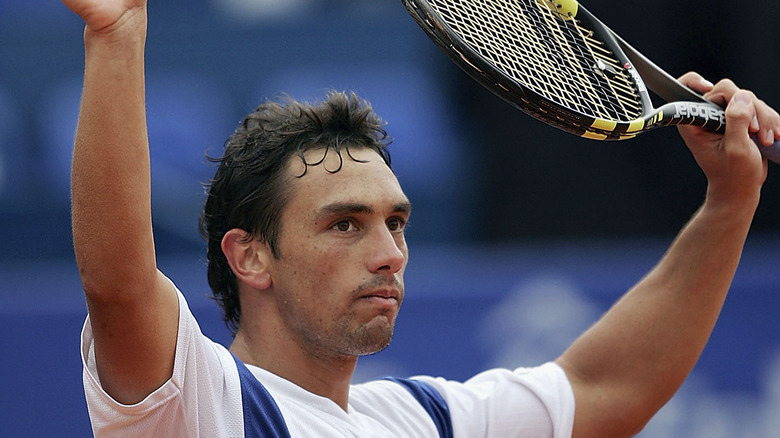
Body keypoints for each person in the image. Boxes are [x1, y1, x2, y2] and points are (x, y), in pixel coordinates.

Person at [64, 0, 779, 437]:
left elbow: (606, 390)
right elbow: (120, 285)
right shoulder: (204, 409)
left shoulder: (425, 421)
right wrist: (119, 32)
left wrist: (729, 203)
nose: (389, 254)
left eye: (396, 223)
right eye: (345, 224)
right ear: (250, 256)